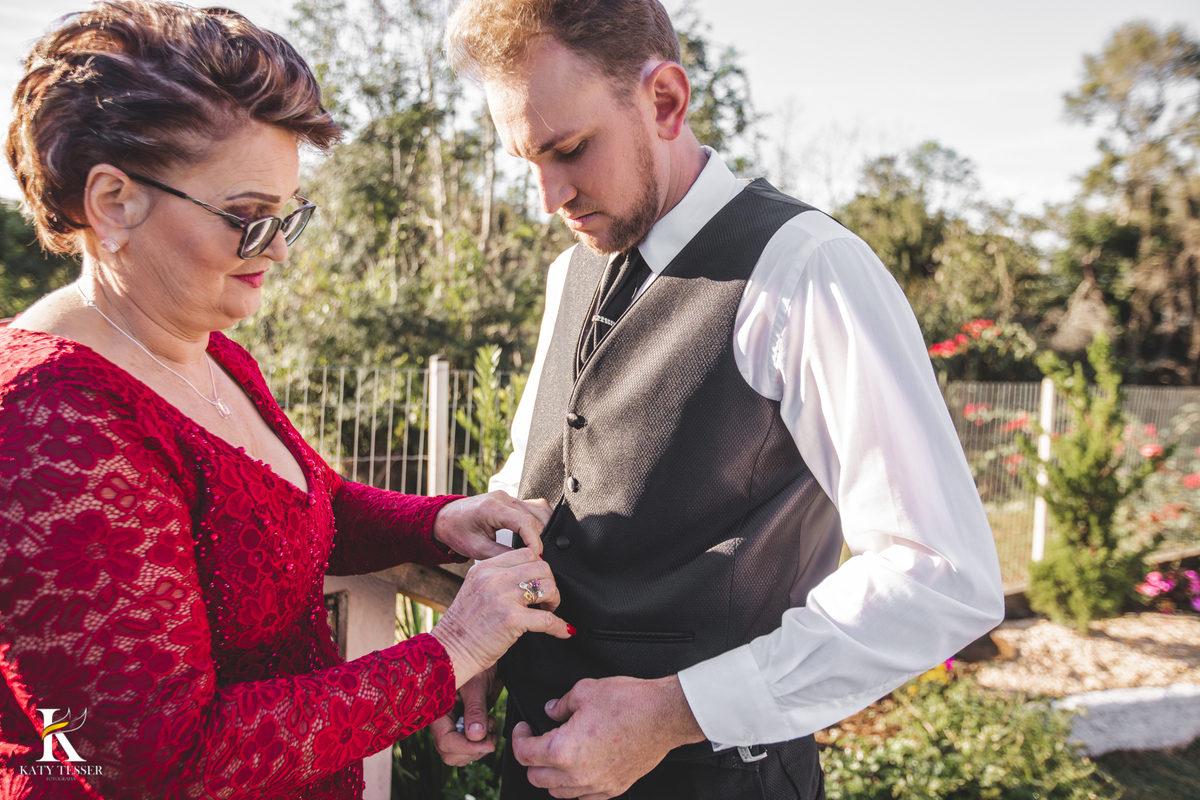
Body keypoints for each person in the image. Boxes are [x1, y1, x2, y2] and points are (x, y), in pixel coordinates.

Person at [0, 2, 573, 797]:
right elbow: (162, 761)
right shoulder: (50, 421)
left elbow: (297, 508)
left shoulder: (211, 352)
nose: (274, 250)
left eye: (284, 217)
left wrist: (437, 520)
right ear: (112, 202)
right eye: (245, 219)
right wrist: (452, 652)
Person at [438, 1, 1007, 798]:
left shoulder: (809, 269)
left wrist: (673, 712)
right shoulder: (570, 273)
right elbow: (546, 482)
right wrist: (483, 640)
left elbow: (939, 573)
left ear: (666, 101)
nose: (548, 196)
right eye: (527, 159)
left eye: (569, 149)